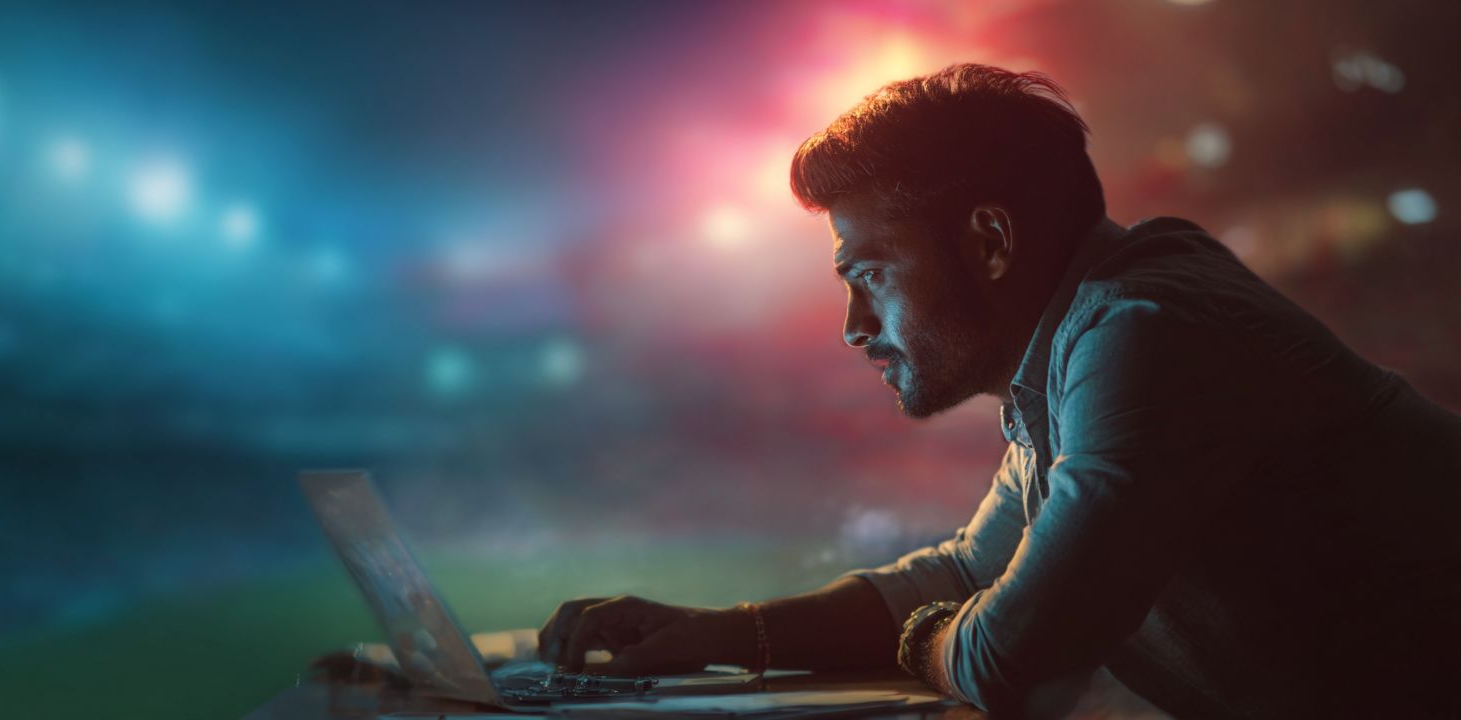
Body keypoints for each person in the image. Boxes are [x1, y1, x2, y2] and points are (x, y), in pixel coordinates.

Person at [536, 64, 1461, 718]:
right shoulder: (1086, 335)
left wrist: (930, 638)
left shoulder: (1145, 332)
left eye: (872, 273)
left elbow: (1010, 653)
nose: (855, 324)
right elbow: (976, 576)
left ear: (989, 241)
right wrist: (722, 633)